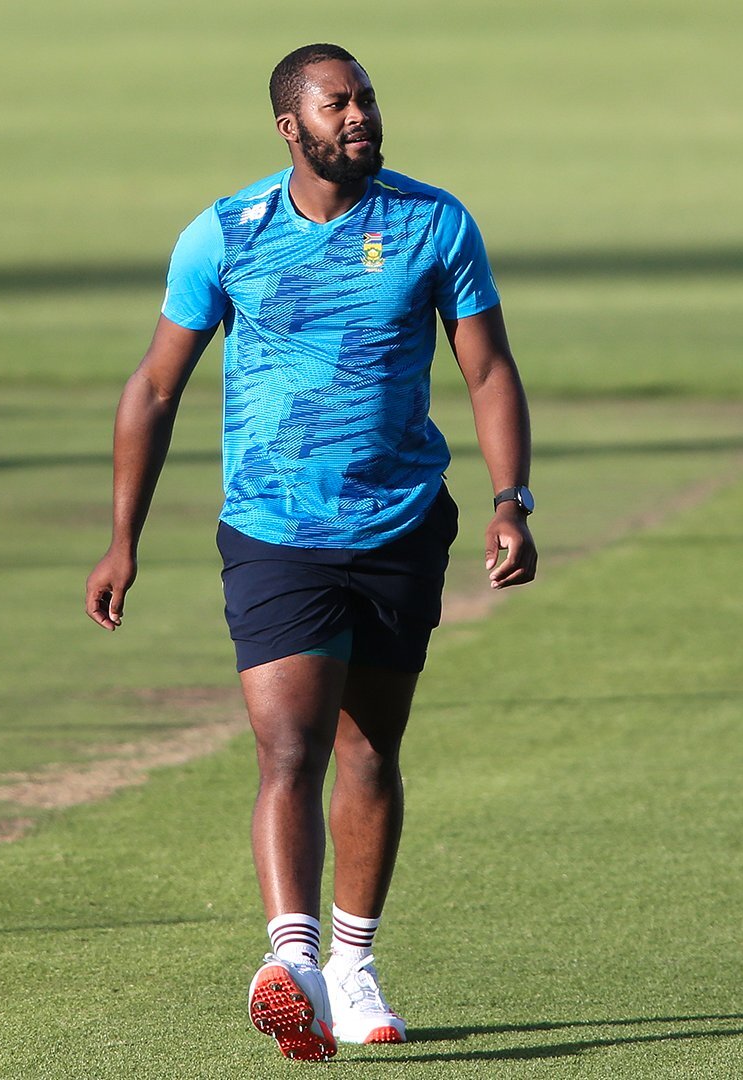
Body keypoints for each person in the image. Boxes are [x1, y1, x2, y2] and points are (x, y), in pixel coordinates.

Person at [85, 43, 537, 1062]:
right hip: (275, 533)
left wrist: (512, 502)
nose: (362, 116)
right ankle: (289, 962)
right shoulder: (228, 233)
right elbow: (154, 389)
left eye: (368, 99)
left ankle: (353, 963)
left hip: (400, 526)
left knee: (370, 750)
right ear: (292, 126)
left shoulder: (434, 223)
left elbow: (490, 370)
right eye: (341, 104)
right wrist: (123, 540)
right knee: (288, 745)